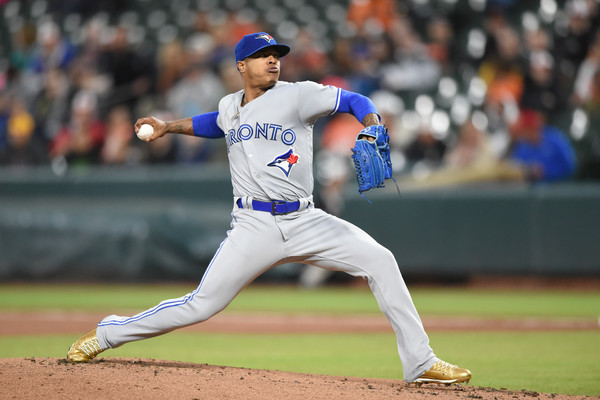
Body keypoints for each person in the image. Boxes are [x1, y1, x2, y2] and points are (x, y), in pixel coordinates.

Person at [66, 32, 471, 386]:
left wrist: (371, 121)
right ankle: (107, 334)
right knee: (201, 305)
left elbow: (353, 98)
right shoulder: (230, 105)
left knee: (381, 260)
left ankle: (420, 361)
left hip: (305, 218)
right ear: (242, 65)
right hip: (253, 225)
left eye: (277, 53)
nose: (273, 59)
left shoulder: (298, 95)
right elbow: (213, 122)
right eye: (263, 55)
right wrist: (169, 126)